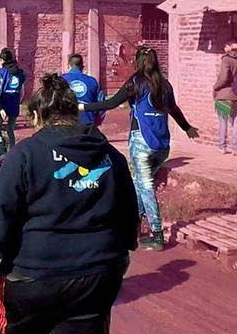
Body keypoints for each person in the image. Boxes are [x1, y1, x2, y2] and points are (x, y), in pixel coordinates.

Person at [0, 73, 140, 334]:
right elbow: (128, 215)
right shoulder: (111, 157)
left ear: (38, 116)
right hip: (95, 277)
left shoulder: (24, 155)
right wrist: (123, 250)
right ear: (75, 112)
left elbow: (1, 212)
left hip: (32, 277)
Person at [80, 46, 199, 251]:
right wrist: (187, 128)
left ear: (138, 62)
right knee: (139, 184)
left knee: (145, 187)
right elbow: (174, 110)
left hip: (142, 141)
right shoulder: (165, 85)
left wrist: (82, 107)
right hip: (162, 144)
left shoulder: (136, 82)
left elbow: (110, 103)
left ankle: (157, 234)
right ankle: (133, 225)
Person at [0, 48, 26, 156]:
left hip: (3, 102)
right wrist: (18, 101)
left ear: (2, 60)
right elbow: (22, 90)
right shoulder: (20, 72)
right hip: (14, 103)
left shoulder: (1, 72)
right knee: (10, 129)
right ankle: (12, 152)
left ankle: (1, 151)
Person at [62, 53, 105, 126]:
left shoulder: (60, 80)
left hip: (65, 124)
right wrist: (96, 122)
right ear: (82, 67)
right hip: (88, 124)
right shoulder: (93, 81)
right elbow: (101, 105)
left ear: (69, 65)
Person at [213, 40, 237, 154]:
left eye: (225, 46)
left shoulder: (226, 59)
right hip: (236, 95)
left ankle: (222, 146)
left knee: (223, 121)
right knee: (236, 122)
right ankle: (235, 148)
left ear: (228, 47)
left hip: (224, 95)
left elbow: (224, 78)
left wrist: (215, 87)